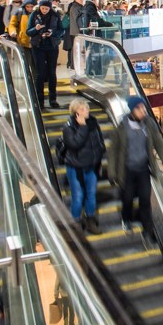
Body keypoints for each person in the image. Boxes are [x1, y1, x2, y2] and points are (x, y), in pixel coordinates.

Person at [109, 96, 163, 240]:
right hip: (127, 171)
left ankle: (147, 229)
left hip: (143, 170)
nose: (143, 111)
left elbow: (159, 143)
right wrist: (112, 172)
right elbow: (113, 151)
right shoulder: (122, 128)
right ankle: (126, 219)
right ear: (132, 110)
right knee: (127, 198)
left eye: (144, 108)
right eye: (139, 108)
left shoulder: (149, 124)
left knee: (145, 199)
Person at [61, 98, 105, 234]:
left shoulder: (93, 122)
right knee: (78, 196)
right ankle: (76, 222)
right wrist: (82, 127)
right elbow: (74, 144)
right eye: (82, 109)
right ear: (75, 113)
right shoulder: (68, 126)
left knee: (91, 195)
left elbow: (99, 141)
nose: (86, 111)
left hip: (91, 166)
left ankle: (90, 219)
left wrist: (99, 157)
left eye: (86, 108)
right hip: (76, 167)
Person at [26, 0, 63, 109]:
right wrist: (36, 29)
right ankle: (40, 100)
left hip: (52, 46)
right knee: (40, 73)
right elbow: (28, 32)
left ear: (50, 8)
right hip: (38, 46)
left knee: (52, 72)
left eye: (46, 8)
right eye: (42, 8)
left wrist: (52, 33)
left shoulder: (55, 15)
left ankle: (53, 99)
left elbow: (61, 30)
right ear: (39, 7)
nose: (44, 10)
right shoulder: (34, 15)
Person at [63, 0, 84, 70]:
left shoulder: (75, 7)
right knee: (75, 49)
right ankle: (73, 64)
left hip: (74, 31)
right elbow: (77, 20)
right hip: (75, 31)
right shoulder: (76, 7)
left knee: (74, 49)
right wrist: (81, 29)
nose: (81, 1)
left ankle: (72, 64)